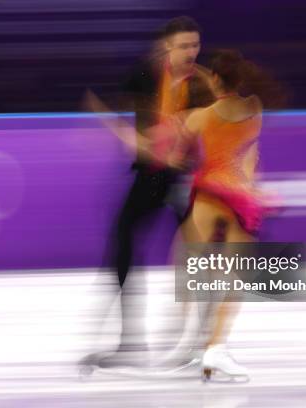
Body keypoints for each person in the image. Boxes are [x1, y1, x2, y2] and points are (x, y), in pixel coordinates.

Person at [80, 16, 215, 370]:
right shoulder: (144, 74)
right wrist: (128, 134)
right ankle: (130, 342)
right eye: (184, 45)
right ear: (166, 47)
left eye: (195, 45)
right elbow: (113, 111)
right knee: (123, 240)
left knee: (199, 255)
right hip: (152, 177)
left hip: (186, 177)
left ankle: (203, 344)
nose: (191, 52)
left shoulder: (202, 84)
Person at [179, 49, 284, 380]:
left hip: (208, 195)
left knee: (199, 268)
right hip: (241, 198)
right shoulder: (255, 108)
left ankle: (198, 344)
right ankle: (215, 347)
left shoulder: (197, 117)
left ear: (213, 79)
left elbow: (180, 155)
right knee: (235, 278)